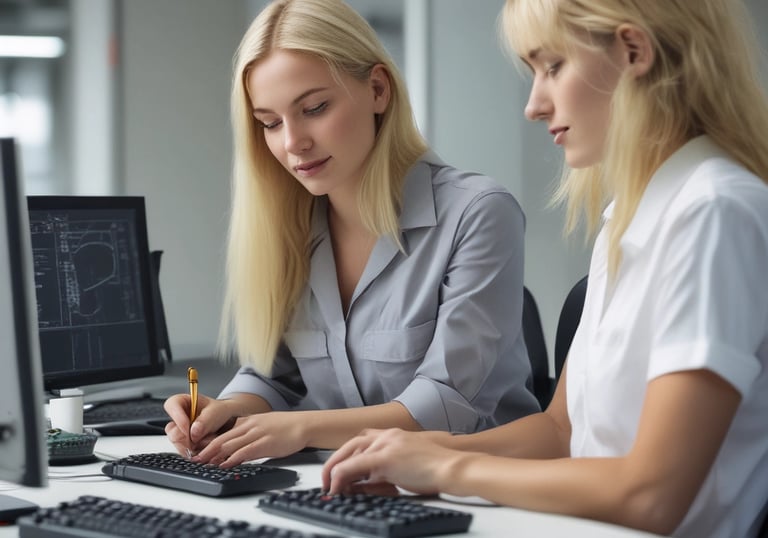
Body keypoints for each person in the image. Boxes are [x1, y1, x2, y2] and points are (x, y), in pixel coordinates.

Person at [322, 1, 768, 536]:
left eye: (552, 66)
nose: (533, 105)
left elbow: (653, 495)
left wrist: (447, 468)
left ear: (633, 51)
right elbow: (562, 431)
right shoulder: (629, 221)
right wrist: (423, 448)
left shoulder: (716, 210)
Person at [163, 0, 539, 468]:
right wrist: (224, 414)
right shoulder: (292, 224)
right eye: (270, 123)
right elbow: (277, 379)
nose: (292, 142)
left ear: (378, 90)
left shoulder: (478, 213)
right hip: (346, 487)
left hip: (478, 493)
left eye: (315, 108)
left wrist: (300, 429)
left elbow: (447, 406)